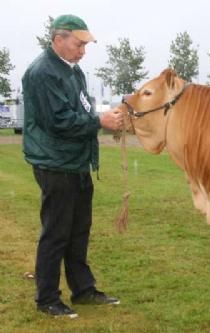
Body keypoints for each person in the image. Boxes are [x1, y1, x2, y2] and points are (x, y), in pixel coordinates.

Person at [22, 14, 123, 318]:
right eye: (79, 44)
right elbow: (58, 121)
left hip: (76, 162)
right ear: (58, 39)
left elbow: (82, 109)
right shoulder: (42, 73)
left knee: (79, 230)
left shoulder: (73, 72)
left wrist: (105, 118)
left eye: (85, 45)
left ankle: (83, 290)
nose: (83, 50)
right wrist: (98, 122)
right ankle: (47, 298)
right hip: (55, 163)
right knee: (56, 232)